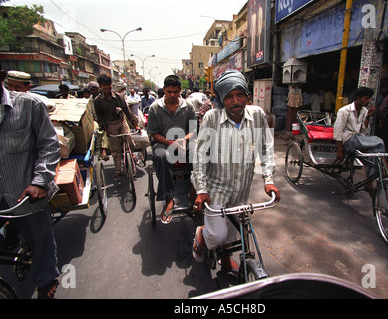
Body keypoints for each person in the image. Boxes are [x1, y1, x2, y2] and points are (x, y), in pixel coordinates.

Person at [191, 70, 281, 272]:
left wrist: (268, 179)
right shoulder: (212, 118)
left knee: (233, 231)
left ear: (247, 96)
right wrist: (201, 189)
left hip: (241, 188)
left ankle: (224, 259)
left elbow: (266, 148)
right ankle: (201, 235)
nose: (235, 101)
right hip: (215, 188)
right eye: (229, 97)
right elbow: (200, 156)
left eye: (240, 94)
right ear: (222, 100)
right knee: (217, 235)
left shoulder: (257, 115)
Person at [0, 56, 61, 299]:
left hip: (25, 193)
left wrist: (39, 181)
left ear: (2, 78)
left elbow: (49, 145)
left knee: (40, 239)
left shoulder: (29, 105)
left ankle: (45, 281)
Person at [147, 75, 197, 224]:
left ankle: (194, 188)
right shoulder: (155, 108)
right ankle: (169, 198)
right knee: (161, 156)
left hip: (184, 141)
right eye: (169, 92)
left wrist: (183, 140)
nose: (173, 95)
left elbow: (193, 130)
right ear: (164, 90)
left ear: (180, 90)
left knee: (197, 152)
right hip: (163, 142)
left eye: (176, 92)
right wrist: (170, 142)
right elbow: (154, 134)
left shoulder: (188, 107)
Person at [334, 87, 388, 196]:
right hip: (348, 140)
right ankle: (387, 173)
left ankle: (370, 181)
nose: (368, 101)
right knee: (379, 142)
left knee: (374, 154)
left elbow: (363, 130)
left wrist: (368, 117)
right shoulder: (344, 111)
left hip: (359, 139)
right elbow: (337, 131)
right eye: (365, 98)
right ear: (358, 98)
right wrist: (339, 150)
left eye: (369, 99)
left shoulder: (364, 111)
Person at [93, 74, 140, 180]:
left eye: (108, 85)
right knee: (115, 150)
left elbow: (127, 112)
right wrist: (107, 130)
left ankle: (132, 156)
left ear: (111, 85)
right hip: (110, 125)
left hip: (122, 122)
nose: (107, 87)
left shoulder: (118, 96)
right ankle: (118, 171)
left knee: (130, 140)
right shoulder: (98, 101)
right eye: (104, 85)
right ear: (101, 86)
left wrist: (136, 126)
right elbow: (100, 117)